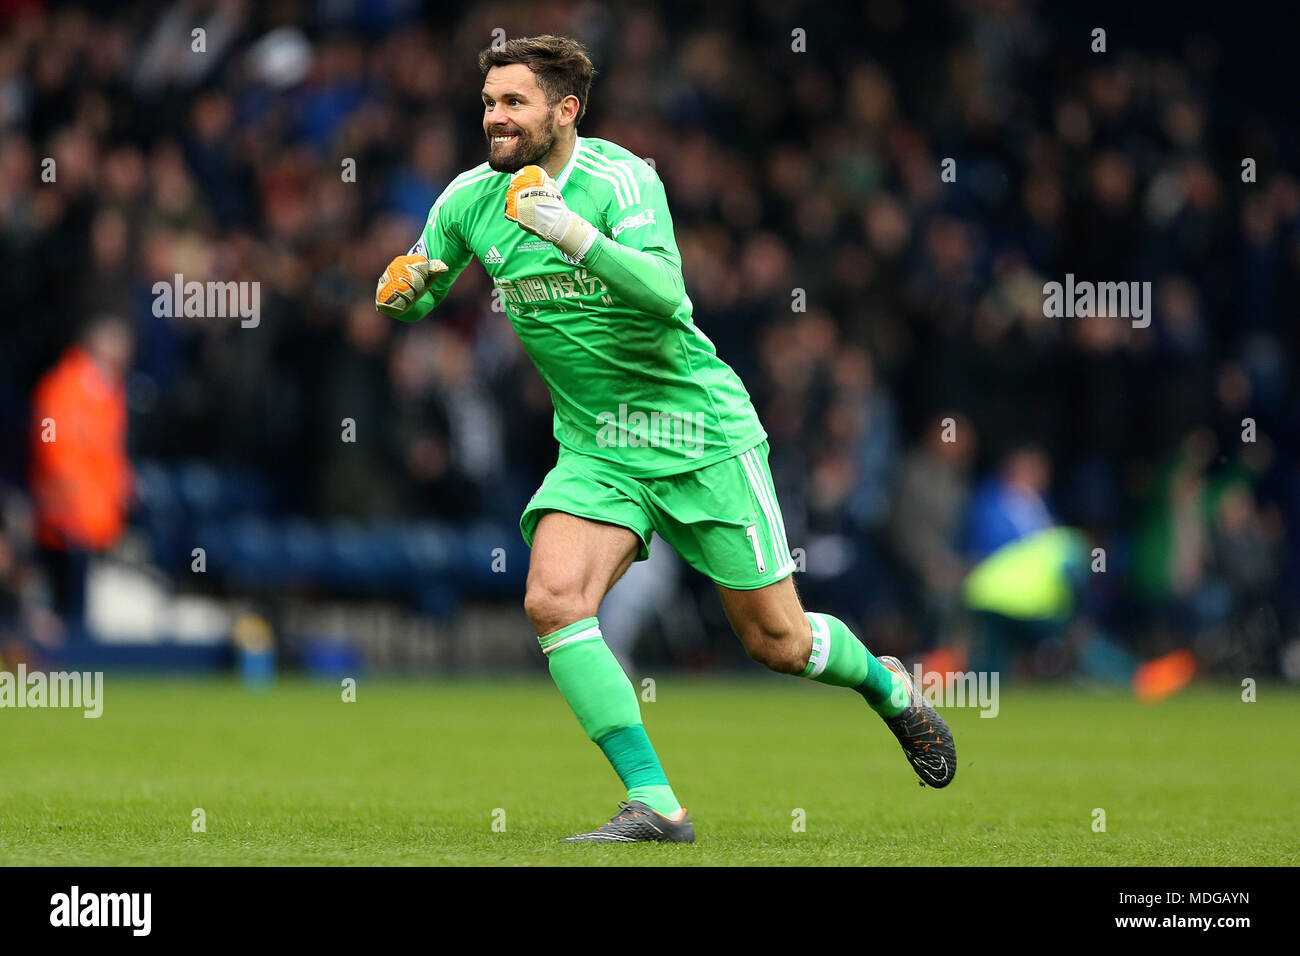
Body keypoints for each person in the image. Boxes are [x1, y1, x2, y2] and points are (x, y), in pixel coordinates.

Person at [375, 35, 955, 843]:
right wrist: (406, 292)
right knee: (552, 600)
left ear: (564, 111)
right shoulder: (469, 198)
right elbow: (425, 282)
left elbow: (663, 291)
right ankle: (655, 803)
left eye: (513, 103)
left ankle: (887, 685)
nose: (495, 118)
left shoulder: (621, 179)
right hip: (597, 447)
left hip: (698, 433)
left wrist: (569, 230)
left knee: (778, 641)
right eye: (488, 103)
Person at [29, 315, 134, 633]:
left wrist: (119, 488)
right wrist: (64, 485)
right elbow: (48, 439)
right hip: (67, 512)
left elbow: (111, 451)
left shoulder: (110, 390)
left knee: (82, 604)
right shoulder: (61, 386)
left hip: (98, 512)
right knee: (64, 601)